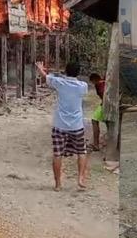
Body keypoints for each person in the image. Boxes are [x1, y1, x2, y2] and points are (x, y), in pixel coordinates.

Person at [35, 61, 88, 191]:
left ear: (65, 71)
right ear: (78, 73)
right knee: (82, 152)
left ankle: (58, 184)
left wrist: (40, 68)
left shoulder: (59, 83)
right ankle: (80, 178)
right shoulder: (83, 86)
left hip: (60, 125)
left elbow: (45, 77)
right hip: (76, 125)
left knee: (58, 154)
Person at [88, 73, 106, 151]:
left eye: (92, 82)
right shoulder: (104, 82)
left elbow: (103, 96)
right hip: (104, 104)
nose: (92, 84)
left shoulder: (99, 85)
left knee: (94, 120)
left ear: (94, 80)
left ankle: (96, 144)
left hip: (105, 105)